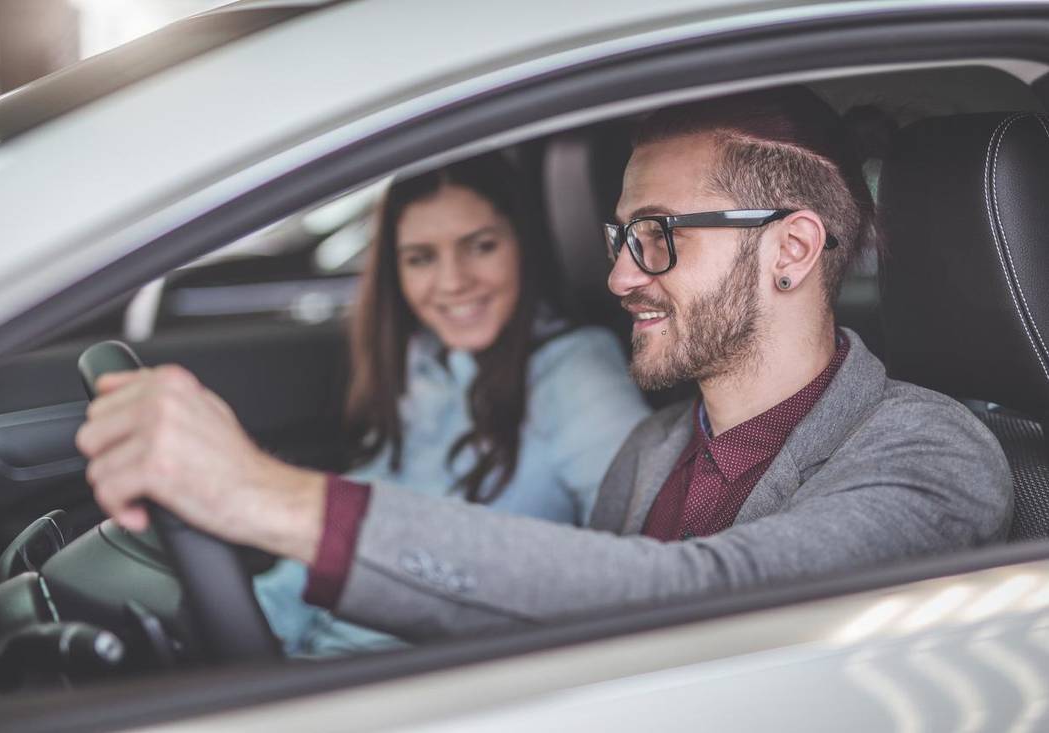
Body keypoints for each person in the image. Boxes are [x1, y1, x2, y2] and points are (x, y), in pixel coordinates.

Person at [77, 86, 1013, 641]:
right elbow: (573, 634)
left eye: (655, 236)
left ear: (792, 251)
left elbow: (713, 605)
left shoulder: (933, 451)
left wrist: (268, 497)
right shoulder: (650, 450)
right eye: (619, 235)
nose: (615, 274)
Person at [254, 155, 650, 655]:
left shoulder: (575, 373)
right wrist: (253, 619)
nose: (452, 282)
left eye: (480, 247)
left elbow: (639, 569)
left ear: (522, 246)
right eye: (421, 258)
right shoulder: (419, 364)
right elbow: (338, 539)